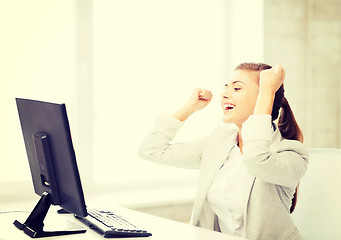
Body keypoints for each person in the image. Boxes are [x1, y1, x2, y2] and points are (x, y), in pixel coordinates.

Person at [138, 62, 309, 240]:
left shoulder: (292, 153)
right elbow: (151, 150)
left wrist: (267, 93)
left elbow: (256, 160)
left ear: (264, 98)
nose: (225, 94)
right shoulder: (218, 141)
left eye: (236, 88)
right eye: (226, 87)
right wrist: (190, 107)